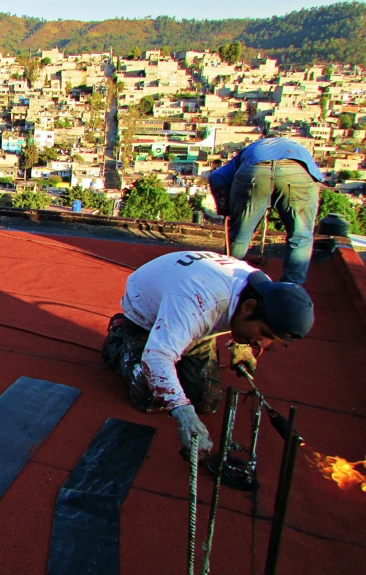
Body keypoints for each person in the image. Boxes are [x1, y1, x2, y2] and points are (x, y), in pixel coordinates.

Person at [102, 250, 314, 460]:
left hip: (194, 317)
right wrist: (184, 416)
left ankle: (180, 340)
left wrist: (240, 345)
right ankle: (118, 338)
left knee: (207, 401)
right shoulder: (198, 299)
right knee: (150, 400)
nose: (263, 344)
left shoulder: (262, 292)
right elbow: (156, 356)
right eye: (264, 334)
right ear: (249, 308)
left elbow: (238, 315)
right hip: (146, 312)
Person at [207, 137, 323, 284]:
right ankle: (292, 286)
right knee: (301, 235)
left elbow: (216, 177)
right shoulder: (299, 148)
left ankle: (231, 280)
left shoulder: (249, 149)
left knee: (240, 234)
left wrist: (226, 209)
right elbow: (317, 176)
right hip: (298, 172)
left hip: (254, 170)